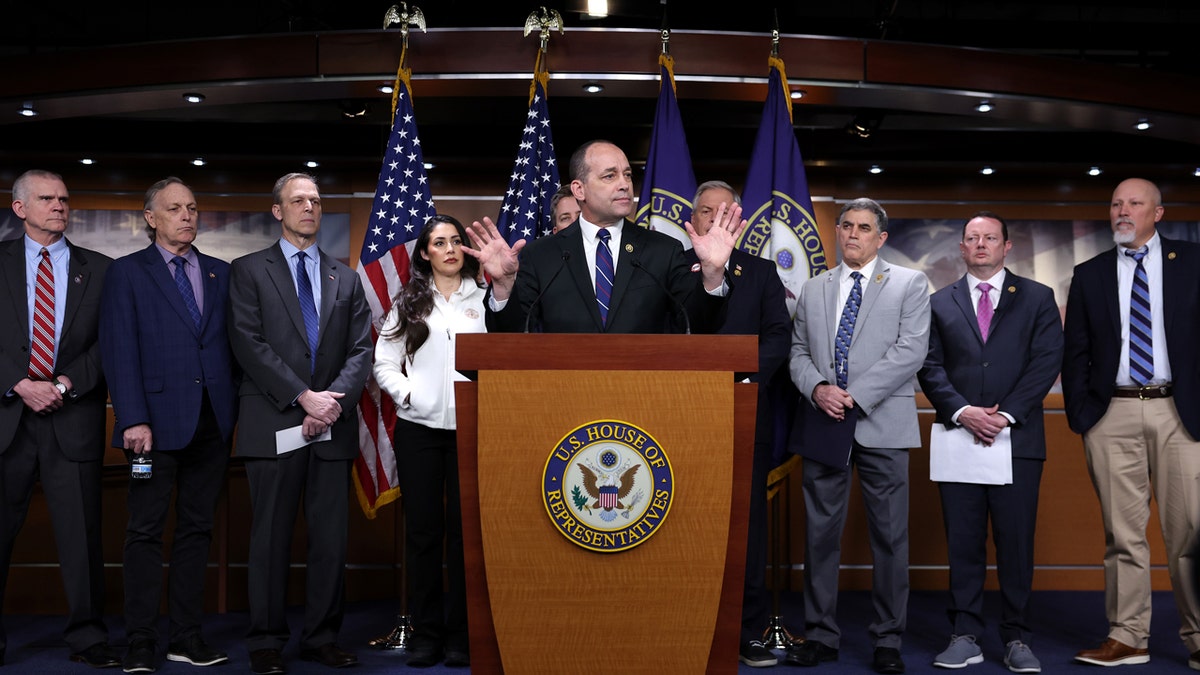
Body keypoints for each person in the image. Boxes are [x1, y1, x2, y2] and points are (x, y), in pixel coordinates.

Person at [227, 173, 373, 675]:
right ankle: (265, 640)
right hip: (273, 422)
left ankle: (321, 637)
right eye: (297, 201)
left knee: (330, 539)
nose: (308, 207)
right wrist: (303, 397)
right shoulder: (247, 271)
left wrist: (328, 405)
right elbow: (248, 343)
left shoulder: (345, 277)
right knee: (269, 537)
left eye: (314, 200)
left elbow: (361, 350)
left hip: (332, 424)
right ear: (277, 211)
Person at [98, 177, 238, 673]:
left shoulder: (222, 274)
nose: (187, 216)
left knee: (197, 531)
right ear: (151, 218)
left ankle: (186, 636)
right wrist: (132, 417)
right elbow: (118, 349)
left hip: (211, 427)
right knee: (144, 532)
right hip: (150, 430)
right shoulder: (127, 273)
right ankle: (140, 640)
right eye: (175, 208)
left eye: (193, 208)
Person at [786, 198, 930, 675]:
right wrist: (819, 388)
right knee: (819, 536)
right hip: (825, 421)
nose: (852, 234)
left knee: (890, 538)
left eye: (864, 228)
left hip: (882, 425)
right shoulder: (813, 288)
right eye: (845, 225)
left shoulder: (909, 284)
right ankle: (821, 636)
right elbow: (798, 352)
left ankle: (888, 639)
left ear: (881, 237)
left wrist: (852, 395)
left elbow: (910, 353)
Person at [1062, 178, 1200, 668]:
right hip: (1111, 413)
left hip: (1180, 411)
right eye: (1116, 203)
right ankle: (1128, 637)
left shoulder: (1193, 262)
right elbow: (1075, 350)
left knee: (1191, 533)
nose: (1123, 211)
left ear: (1157, 213)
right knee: (1122, 534)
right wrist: (1085, 415)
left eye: (1135, 203)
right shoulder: (1090, 273)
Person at [917, 212, 1062, 673]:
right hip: (959, 436)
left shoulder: (1038, 298)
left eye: (990, 238)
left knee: (1015, 543)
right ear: (961, 248)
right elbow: (929, 365)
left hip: (1016, 440)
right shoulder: (939, 303)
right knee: (963, 543)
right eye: (972, 238)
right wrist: (963, 411)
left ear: (1006, 247)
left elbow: (1046, 361)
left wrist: (1005, 416)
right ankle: (965, 635)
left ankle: (1018, 638)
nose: (981, 244)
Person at [0, 170, 117, 668]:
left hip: (73, 417)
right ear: (20, 207)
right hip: (8, 418)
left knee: (82, 537)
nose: (59, 206)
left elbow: (108, 344)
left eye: (64, 199)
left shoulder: (102, 269)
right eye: (46, 199)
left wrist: (64, 384)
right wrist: (20, 382)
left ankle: (89, 639)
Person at [463, 139, 742, 334]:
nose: (624, 184)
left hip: (645, 396)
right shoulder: (542, 254)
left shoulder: (662, 250)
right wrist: (502, 286)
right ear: (579, 190)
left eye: (628, 175)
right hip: (563, 395)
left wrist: (713, 275)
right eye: (610, 176)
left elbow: (699, 324)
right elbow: (512, 333)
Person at [374, 215, 484, 669]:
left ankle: (460, 634)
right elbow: (384, 364)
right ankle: (426, 634)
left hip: (472, 429)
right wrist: (410, 394)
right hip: (419, 431)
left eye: (457, 241)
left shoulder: (486, 300)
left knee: (464, 536)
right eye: (440, 243)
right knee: (423, 534)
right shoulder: (409, 303)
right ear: (425, 253)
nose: (451, 249)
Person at [689, 181, 791, 668]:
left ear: (738, 219)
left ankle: (747, 630)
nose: (713, 218)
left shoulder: (763, 272)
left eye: (722, 211)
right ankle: (689, 624)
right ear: (693, 218)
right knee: (684, 522)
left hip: (746, 413)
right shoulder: (673, 266)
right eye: (704, 211)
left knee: (745, 529)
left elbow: (777, 338)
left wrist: (742, 379)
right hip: (680, 418)